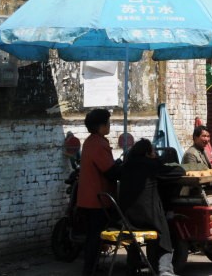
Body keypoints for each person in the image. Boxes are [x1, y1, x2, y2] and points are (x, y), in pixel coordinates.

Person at [108, 138, 185, 276]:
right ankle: (165, 269)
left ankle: (133, 264)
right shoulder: (151, 165)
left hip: (126, 220)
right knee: (164, 230)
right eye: (153, 151)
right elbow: (179, 171)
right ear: (148, 153)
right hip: (147, 219)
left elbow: (113, 173)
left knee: (136, 235)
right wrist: (157, 160)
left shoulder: (126, 166)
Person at [77, 108, 116, 276]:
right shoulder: (99, 144)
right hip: (96, 199)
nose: (109, 126)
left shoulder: (90, 141)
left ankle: (92, 267)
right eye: (108, 123)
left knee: (94, 236)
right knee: (94, 237)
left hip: (87, 198)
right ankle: (89, 270)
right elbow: (109, 170)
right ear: (101, 126)